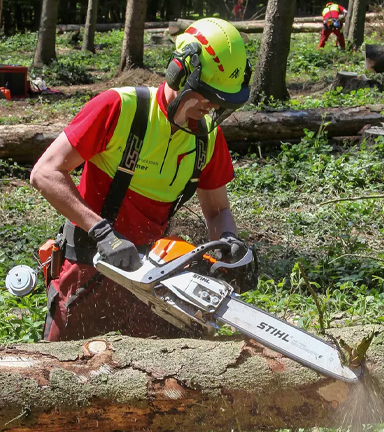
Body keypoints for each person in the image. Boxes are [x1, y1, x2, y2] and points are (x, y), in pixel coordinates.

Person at [30, 18, 252, 342]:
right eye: (205, 96)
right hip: (89, 260)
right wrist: (103, 232)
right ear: (179, 72)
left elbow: (217, 211)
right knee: (62, 372)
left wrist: (229, 241)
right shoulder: (121, 108)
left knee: (158, 374)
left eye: (219, 102)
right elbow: (45, 172)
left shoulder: (207, 137)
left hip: (151, 272)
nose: (210, 108)